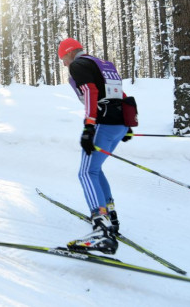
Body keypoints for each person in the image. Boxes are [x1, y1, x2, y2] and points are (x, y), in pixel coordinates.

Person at [57, 38, 133, 254]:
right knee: (95, 169)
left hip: (104, 123)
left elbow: (90, 92)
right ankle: (110, 215)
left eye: (63, 58)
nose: (64, 64)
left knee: (85, 172)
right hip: (118, 124)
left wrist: (89, 125)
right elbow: (119, 92)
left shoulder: (78, 65)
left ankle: (101, 226)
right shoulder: (102, 64)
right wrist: (126, 123)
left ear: (70, 53)